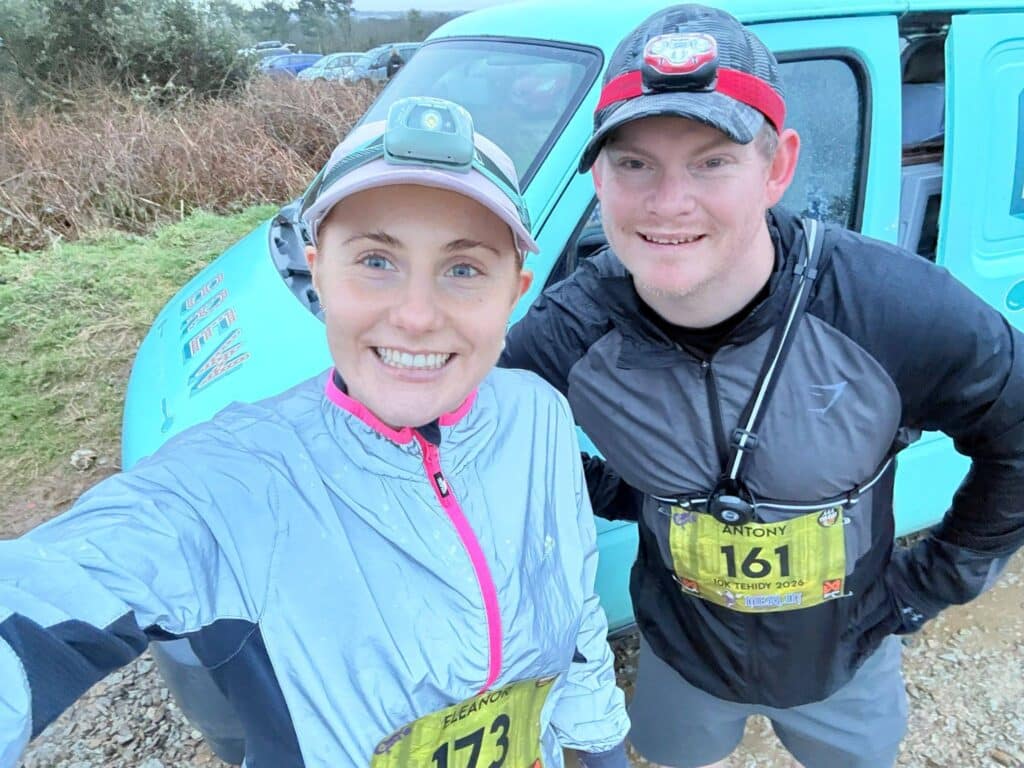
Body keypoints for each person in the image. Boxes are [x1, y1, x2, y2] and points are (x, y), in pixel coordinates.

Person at [0, 97, 629, 768]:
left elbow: (573, 603)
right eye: (376, 261)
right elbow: (50, 590)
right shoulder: (234, 481)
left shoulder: (537, 413)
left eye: (464, 269)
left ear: (515, 290)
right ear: (318, 272)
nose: (416, 315)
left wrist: (600, 742)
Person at [500, 5, 1024, 768]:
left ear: (777, 166)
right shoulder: (569, 333)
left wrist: (931, 583)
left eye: (712, 161)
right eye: (634, 163)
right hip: (682, 657)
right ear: (598, 177)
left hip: (846, 660)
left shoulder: (889, 309)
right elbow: (471, 442)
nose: (669, 202)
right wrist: (625, 494)